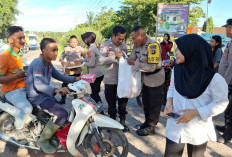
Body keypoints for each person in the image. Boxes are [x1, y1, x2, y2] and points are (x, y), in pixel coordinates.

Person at [163, 34, 228, 157]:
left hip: (197, 129)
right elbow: (172, 88)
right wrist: (169, 102)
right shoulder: (177, 70)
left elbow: (221, 103)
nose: (175, 52)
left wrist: (196, 112)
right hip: (175, 125)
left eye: (179, 49)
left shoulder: (214, 79)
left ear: (191, 51)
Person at [26, 38, 81, 153]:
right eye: (53, 50)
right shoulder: (38, 63)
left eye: (57, 50)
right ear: (44, 51)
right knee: (61, 114)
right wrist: (57, 90)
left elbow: (60, 76)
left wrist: (76, 78)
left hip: (45, 96)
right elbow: (38, 84)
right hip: (37, 98)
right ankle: (43, 140)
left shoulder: (48, 63)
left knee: (64, 114)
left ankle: (53, 135)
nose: (56, 53)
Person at [127, 26, 165, 136]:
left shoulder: (153, 46)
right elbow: (132, 57)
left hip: (155, 77)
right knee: (146, 102)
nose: (133, 41)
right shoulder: (136, 45)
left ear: (142, 36)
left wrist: (134, 63)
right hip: (145, 77)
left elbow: (152, 67)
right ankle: (147, 122)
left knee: (154, 103)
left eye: (134, 38)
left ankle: (152, 126)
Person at [0, 26, 33, 130]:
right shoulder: (5, 56)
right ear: (10, 40)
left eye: (24, 37)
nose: (23, 41)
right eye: (20, 38)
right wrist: (17, 76)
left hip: (22, 88)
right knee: (27, 108)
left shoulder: (19, 54)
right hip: (11, 91)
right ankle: (18, 130)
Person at [99, 26, 129, 132]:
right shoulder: (105, 44)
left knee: (123, 103)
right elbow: (101, 61)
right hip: (110, 79)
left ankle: (122, 122)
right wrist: (114, 57)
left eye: (123, 39)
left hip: (122, 79)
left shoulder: (124, 46)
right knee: (111, 104)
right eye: (119, 38)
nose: (121, 41)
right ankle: (112, 123)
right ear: (113, 35)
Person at [217, 19, 232, 143]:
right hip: (228, 82)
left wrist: (225, 83)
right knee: (228, 108)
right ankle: (227, 127)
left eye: (226, 27)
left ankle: (228, 134)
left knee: (230, 109)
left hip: (230, 83)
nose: (225, 30)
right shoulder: (230, 43)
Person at [59, 35, 85, 104]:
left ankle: (76, 100)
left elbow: (87, 58)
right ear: (69, 42)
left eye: (74, 42)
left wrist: (80, 60)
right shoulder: (66, 49)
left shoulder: (81, 49)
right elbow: (61, 57)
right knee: (64, 84)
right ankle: (63, 99)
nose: (73, 43)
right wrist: (62, 61)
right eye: (71, 42)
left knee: (76, 85)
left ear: (77, 42)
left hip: (77, 70)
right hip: (68, 70)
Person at [81, 32, 104, 103]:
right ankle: (98, 109)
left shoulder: (91, 49)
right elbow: (89, 59)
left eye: (84, 39)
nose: (84, 41)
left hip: (95, 75)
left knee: (94, 94)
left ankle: (100, 110)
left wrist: (83, 64)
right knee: (94, 93)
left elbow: (91, 63)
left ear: (87, 40)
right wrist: (81, 60)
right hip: (97, 74)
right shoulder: (93, 47)